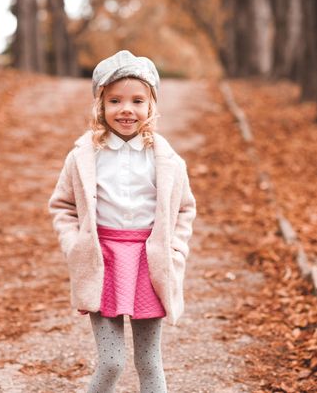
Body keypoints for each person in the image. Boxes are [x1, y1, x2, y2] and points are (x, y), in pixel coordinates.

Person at [48, 50, 196, 393]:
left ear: (151, 107)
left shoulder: (167, 160)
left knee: (148, 361)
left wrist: (175, 250)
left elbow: (185, 209)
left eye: (137, 100)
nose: (126, 109)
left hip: (150, 262)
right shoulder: (83, 157)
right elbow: (63, 205)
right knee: (112, 361)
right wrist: (76, 245)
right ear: (101, 106)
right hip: (104, 262)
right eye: (115, 100)